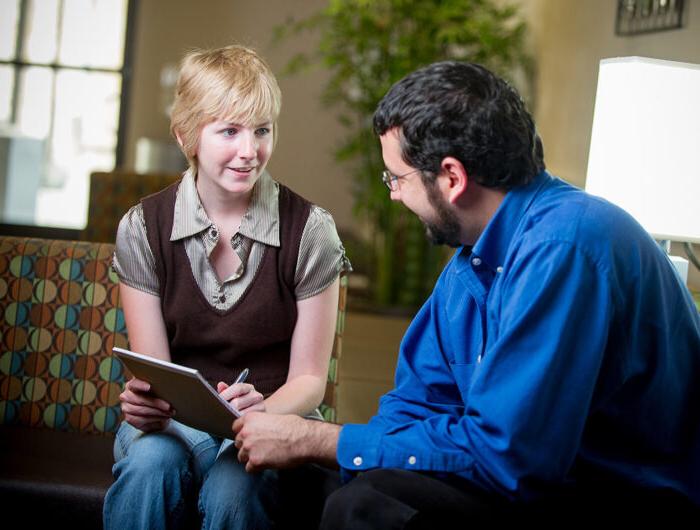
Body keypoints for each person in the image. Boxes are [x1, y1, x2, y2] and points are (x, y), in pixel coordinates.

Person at [232, 61, 700, 527]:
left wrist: (318, 439)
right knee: (294, 482)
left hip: (614, 497)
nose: (393, 195)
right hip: (527, 479)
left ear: (452, 178)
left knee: (366, 504)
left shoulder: (566, 247)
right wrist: (316, 449)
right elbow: (416, 402)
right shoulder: (470, 265)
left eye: (396, 178)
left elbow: (509, 457)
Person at [103, 45, 350, 530]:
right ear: (186, 135)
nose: (250, 150)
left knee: (235, 485)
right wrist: (144, 404)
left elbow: (308, 381)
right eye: (229, 131)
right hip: (176, 426)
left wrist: (258, 414)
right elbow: (155, 369)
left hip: (277, 414)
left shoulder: (311, 229)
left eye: (262, 130)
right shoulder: (142, 227)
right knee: (151, 465)